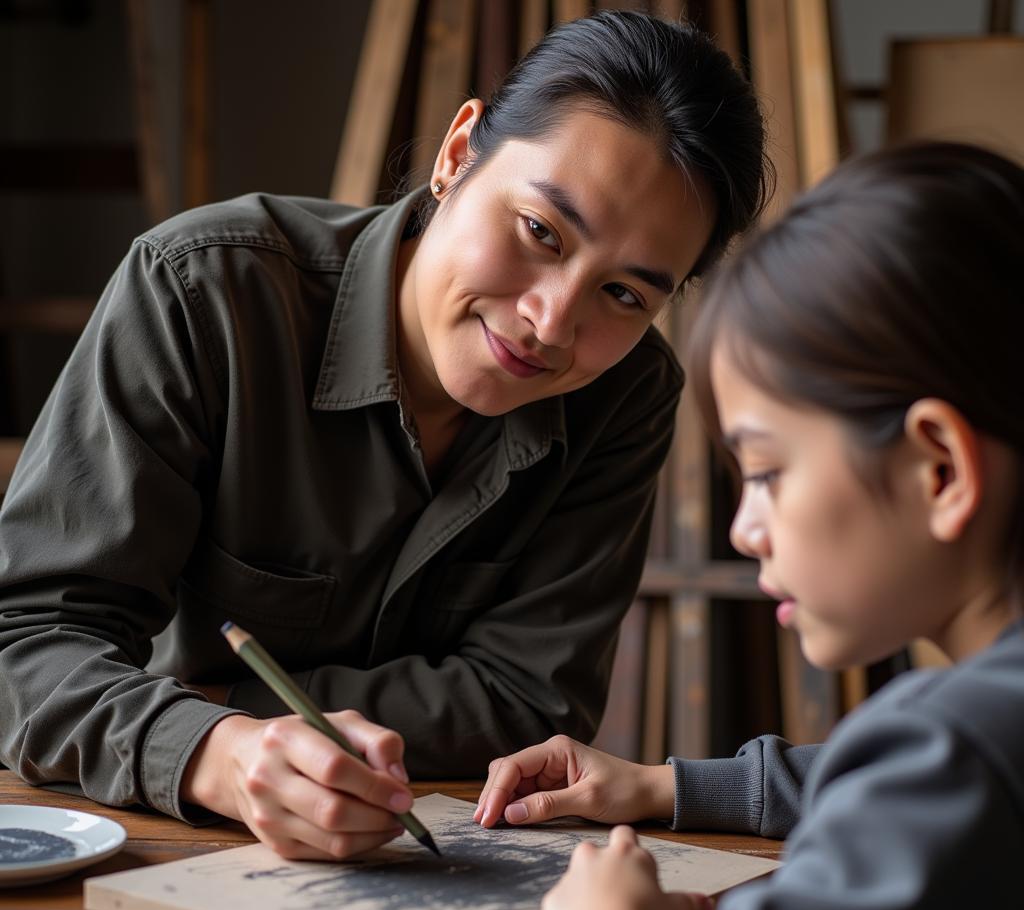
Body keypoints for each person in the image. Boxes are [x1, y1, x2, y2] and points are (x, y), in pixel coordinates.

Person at [0, 11, 770, 861]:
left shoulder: (626, 395)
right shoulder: (203, 293)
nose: (552, 323)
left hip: (435, 855)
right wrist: (215, 751)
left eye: (625, 295)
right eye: (541, 232)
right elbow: (23, 645)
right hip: (156, 834)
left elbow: (533, 708)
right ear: (456, 155)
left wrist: (205, 696)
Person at [476, 141, 1024, 910]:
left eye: (767, 473)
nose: (744, 527)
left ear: (939, 471)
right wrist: (663, 787)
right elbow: (886, 786)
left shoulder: (957, 754)